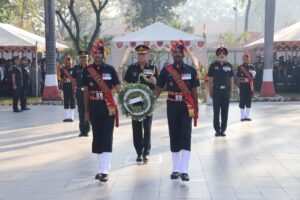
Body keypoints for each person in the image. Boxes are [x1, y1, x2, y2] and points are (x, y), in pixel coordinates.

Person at [153, 40, 199, 182]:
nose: (178, 55)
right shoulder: (166, 71)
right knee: (174, 135)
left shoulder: (191, 70)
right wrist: (148, 101)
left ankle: (184, 170)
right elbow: (158, 90)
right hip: (172, 106)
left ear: (183, 54)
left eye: (180, 53)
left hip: (187, 107)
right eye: (175, 53)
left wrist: (196, 108)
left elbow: (194, 91)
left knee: (186, 136)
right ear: (173, 55)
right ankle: (175, 169)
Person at [82, 39, 121, 182]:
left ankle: (105, 170)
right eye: (95, 53)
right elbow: (85, 92)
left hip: (108, 107)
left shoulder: (110, 70)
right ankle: (101, 168)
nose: (98, 56)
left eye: (100, 53)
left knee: (107, 137)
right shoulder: (87, 70)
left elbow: (118, 88)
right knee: (97, 137)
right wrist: (86, 112)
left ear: (104, 55)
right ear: (92, 55)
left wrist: (127, 100)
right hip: (94, 107)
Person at [124, 45, 158, 163]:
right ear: (137, 55)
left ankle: (146, 153)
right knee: (136, 128)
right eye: (139, 54)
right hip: (135, 103)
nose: (141, 56)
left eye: (143, 54)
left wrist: (155, 82)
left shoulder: (153, 68)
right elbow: (126, 84)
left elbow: (158, 86)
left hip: (148, 102)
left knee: (147, 128)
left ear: (147, 55)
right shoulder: (132, 68)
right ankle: (138, 152)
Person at [207, 47, 234, 137]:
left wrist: (231, 90)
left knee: (225, 111)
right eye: (220, 54)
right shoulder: (213, 65)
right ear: (217, 56)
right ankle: (217, 130)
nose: (221, 55)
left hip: (226, 91)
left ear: (225, 56)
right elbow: (209, 80)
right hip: (216, 91)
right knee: (216, 112)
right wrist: (209, 91)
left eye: (223, 54)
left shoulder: (229, 66)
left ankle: (223, 130)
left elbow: (231, 79)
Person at [72, 51, 90, 137]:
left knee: (88, 110)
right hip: (79, 92)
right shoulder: (76, 68)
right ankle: (82, 130)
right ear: (80, 59)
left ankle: (87, 130)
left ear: (88, 58)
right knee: (81, 111)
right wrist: (73, 92)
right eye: (82, 57)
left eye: (85, 57)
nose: (83, 59)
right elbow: (73, 80)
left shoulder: (91, 68)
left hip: (89, 93)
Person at [237, 54, 256, 121]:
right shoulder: (240, 67)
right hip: (242, 85)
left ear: (249, 59)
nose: (246, 59)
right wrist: (238, 87)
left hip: (249, 85)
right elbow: (238, 78)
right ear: (242, 59)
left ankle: (247, 116)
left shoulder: (252, 67)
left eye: (247, 58)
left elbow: (253, 77)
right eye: (244, 58)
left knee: (248, 100)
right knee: (242, 100)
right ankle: (242, 116)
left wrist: (253, 75)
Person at [60, 55, 75, 122]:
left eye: (69, 60)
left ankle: (71, 116)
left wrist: (75, 86)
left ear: (71, 61)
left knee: (72, 100)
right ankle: (66, 116)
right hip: (66, 86)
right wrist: (61, 86)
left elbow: (75, 79)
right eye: (66, 60)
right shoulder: (63, 69)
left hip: (72, 85)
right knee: (66, 100)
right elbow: (61, 78)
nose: (67, 62)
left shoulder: (74, 69)